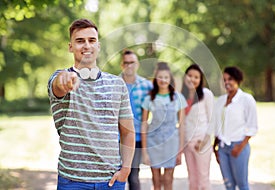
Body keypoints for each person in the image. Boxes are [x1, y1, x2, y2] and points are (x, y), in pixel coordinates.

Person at [47, 18, 135, 190]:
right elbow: (58, 85)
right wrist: (65, 79)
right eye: (80, 41)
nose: (87, 45)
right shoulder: (61, 78)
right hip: (72, 181)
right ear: (70, 46)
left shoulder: (117, 84)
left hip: (112, 181)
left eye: (91, 40)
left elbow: (128, 132)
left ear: (98, 45)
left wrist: (126, 169)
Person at [141, 62, 187, 190]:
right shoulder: (149, 99)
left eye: (166, 77)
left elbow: (182, 125)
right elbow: (144, 125)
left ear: (170, 79)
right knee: (156, 180)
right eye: (160, 77)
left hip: (171, 144)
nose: (163, 80)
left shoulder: (178, 98)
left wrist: (180, 151)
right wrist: (145, 152)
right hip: (153, 143)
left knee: (168, 179)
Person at [211, 66, 258, 190]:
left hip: (238, 147)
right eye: (224, 80)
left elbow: (252, 126)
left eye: (230, 79)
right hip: (222, 149)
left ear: (237, 80)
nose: (226, 82)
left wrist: (240, 147)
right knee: (229, 185)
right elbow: (218, 125)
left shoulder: (246, 100)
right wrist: (215, 147)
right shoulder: (220, 101)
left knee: (242, 185)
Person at [120, 49, 152, 190]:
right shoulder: (114, 83)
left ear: (137, 64)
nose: (129, 65)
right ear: (122, 65)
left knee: (133, 176)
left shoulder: (147, 86)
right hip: (116, 138)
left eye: (132, 62)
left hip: (137, 137)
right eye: (126, 63)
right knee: (116, 175)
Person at [181, 64, 214, 190]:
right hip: (187, 144)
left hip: (201, 142)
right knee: (192, 179)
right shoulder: (182, 96)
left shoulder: (206, 94)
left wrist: (204, 141)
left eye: (196, 77)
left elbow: (213, 120)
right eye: (190, 76)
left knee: (203, 179)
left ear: (201, 80)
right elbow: (182, 122)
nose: (192, 79)